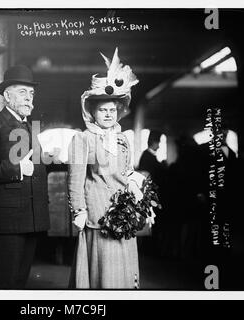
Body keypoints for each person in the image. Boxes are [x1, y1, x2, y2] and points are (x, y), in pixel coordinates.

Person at [67, 48, 143, 289]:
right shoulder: (83, 139)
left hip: (125, 215)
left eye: (112, 110)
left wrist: (136, 187)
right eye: (103, 110)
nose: (109, 114)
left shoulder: (123, 139)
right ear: (92, 111)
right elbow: (75, 180)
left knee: (123, 272)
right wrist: (78, 210)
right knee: (103, 275)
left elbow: (128, 172)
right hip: (98, 216)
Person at [0, 65, 50, 289]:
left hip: (31, 217)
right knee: (4, 283)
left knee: (19, 281)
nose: (29, 98)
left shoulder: (30, 128)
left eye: (31, 93)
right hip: (7, 220)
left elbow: (34, 167)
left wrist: (50, 161)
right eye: (23, 92)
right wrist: (16, 170)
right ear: (7, 96)